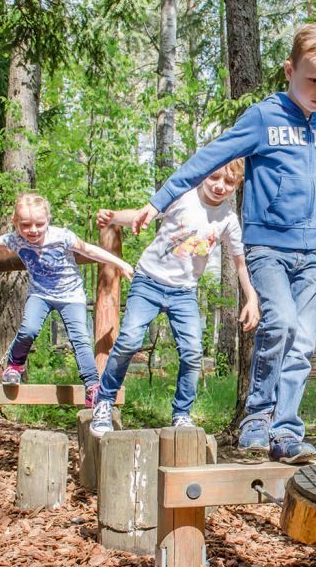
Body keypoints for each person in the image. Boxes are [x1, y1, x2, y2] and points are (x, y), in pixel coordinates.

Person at [127, 22, 316, 463]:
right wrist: (159, 200)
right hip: (267, 249)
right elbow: (210, 157)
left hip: (309, 256)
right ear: (290, 70)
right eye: (313, 81)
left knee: (303, 344)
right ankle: (257, 419)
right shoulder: (264, 117)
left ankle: (286, 431)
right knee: (279, 324)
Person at [89, 160, 260, 437]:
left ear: (237, 185)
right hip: (149, 281)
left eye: (228, 182)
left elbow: (240, 264)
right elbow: (142, 214)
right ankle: (104, 400)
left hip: (184, 292)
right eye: (214, 177)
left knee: (193, 353)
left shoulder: (228, 219)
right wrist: (111, 217)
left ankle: (181, 414)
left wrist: (251, 298)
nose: (219, 186)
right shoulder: (183, 196)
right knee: (129, 340)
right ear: (204, 175)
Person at [0, 194, 133, 405]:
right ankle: (14, 366)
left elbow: (89, 250)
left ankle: (92, 385)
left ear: (48, 219)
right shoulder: (15, 239)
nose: (33, 230)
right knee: (28, 329)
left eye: (39, 224)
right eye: (25, 225)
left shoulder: (62, 236)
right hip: (40, 294)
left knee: (80, 337)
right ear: (15, 222)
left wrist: (120, 263)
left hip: (71, 296)